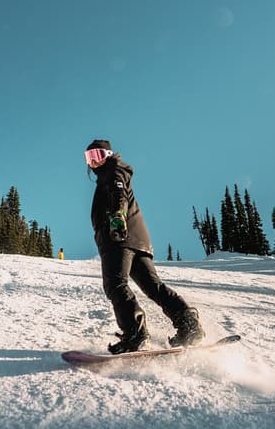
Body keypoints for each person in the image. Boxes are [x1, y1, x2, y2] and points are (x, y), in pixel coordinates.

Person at [84, 139, 205, 354]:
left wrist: (117, 218)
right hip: (138, 241)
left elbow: (118, 195)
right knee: (152, 286)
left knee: (115, 284)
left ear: (109, 154)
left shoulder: (113, 173)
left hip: (119, 237)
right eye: (90, 158)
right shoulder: (113, 173)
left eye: (98, 155)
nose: (94, 162)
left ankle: (135, 334)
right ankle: (189, 326)